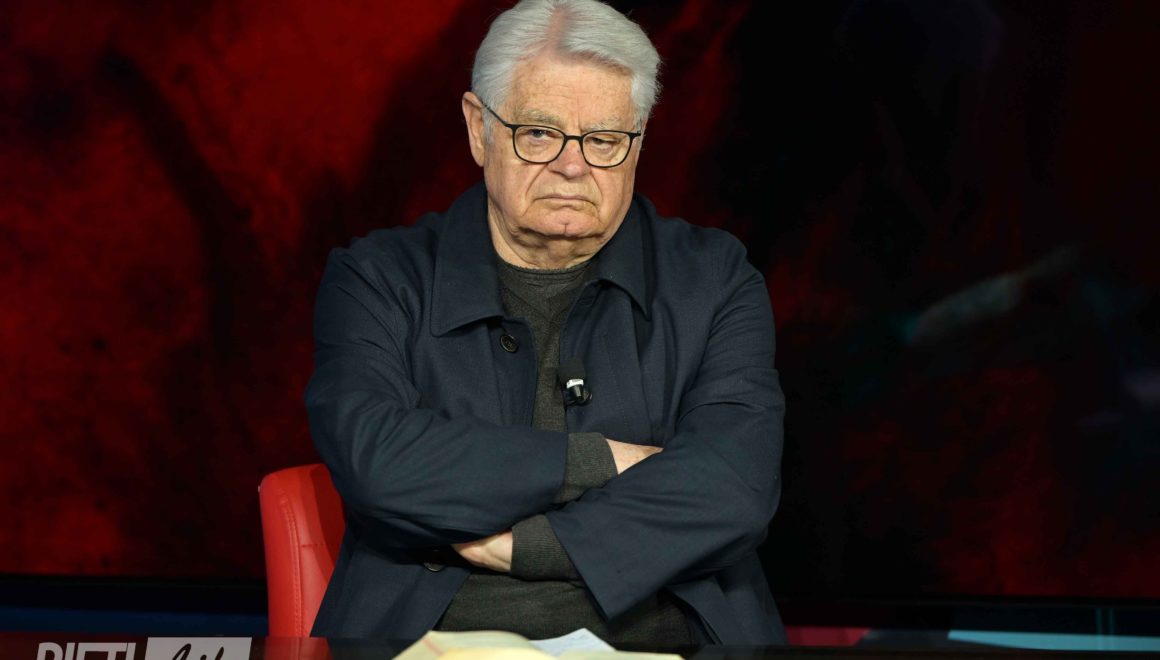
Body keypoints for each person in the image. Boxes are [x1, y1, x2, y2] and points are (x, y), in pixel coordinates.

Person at [305, 0, 786, 646]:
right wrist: (601, 461)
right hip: (434, 644)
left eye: (604, 140)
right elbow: (380, 464)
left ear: (639, 141)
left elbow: (734, 487)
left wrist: (526, 547)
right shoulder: (377, 280)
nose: (572, 165)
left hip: (666, 644)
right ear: (479, 129)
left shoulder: (717, 280)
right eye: (538, 133)